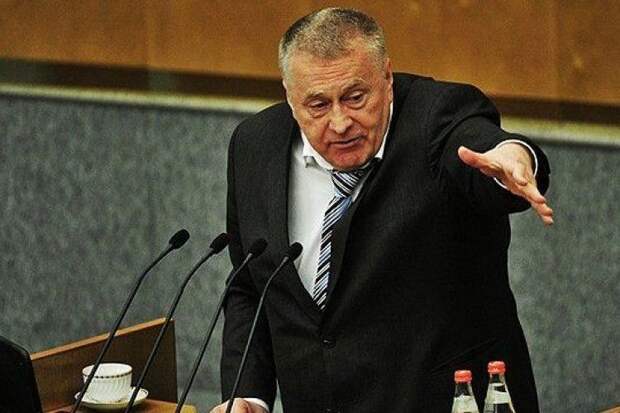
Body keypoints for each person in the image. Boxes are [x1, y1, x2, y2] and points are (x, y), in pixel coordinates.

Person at [211, 7, 553, 413]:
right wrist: (245, 394)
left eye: (355, 98)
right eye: (317, 105)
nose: (340, 122)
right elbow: (251, 286)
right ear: (289, 95)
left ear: (386, 78)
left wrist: (512, 157)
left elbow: (476, 142)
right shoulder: (254, 145)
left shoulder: (436, 116)